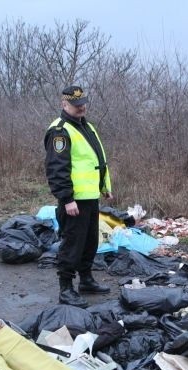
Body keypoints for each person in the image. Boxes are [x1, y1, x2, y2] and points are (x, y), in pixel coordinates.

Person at [44, 85, 113, 308]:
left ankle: (86, 280)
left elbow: (95, 160)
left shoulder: (86, 126)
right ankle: (65, 289)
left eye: (83, 103)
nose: (81, 107)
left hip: (90, 196)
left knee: (90, 242)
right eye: (76, 105)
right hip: (74, 200)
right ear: (64, 104)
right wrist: (66, 198)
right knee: (72, 244)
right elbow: (57, 168)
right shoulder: (60, 131)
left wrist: (104, 185)